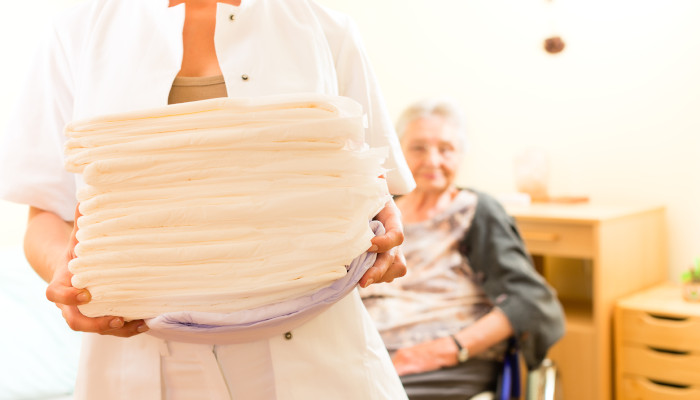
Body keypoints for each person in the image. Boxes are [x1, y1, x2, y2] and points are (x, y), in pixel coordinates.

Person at [0, 0, 416, 398]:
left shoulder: (327, 30)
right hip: (141, 351)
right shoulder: (76, 33)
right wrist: (68, 276)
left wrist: (381, 239)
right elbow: (46, 217)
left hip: (316, 349)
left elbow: (375, 191)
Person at [360, 99, 565, 399]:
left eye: (445, 149)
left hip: (437, 365)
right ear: (399, 151)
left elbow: (530, 303)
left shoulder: (475, 211)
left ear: (460, 155)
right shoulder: (378, 211)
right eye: (418, 148)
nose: (432, 160)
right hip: (368, 354)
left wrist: (445, 350)